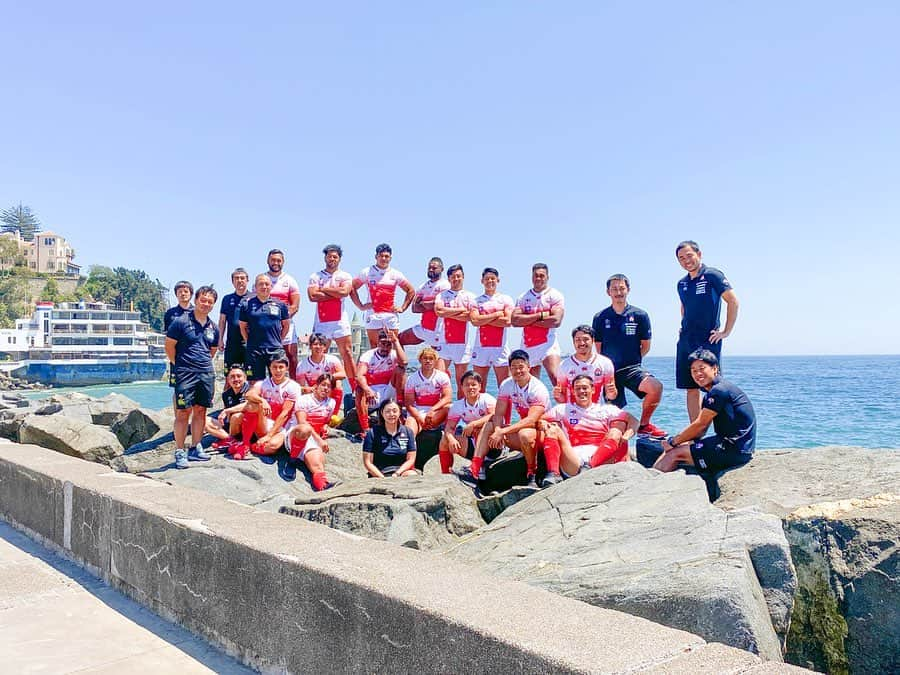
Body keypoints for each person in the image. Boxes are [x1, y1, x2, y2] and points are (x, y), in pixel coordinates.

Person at [654, 349, 756, 501]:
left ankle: (651, 490)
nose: (697, 374)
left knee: (675, 453)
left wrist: (673, 442)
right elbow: (700, 431)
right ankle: (652, 482)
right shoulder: (719, 389)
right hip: (737, 446)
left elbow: (700, 426)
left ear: (715, 368)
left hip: (732, 450)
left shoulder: (718, 391)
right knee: (678, 448)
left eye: (702, 368)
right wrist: (681, 442)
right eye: (693, 370)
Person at [593, 274, 666, 438]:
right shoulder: (600, 317)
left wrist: (631, 359)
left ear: (628, 290)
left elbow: (645, 346)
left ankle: (644, 425)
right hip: (610, 372)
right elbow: (598, 349)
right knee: (615, 417)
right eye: (614, 289)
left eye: (621, 288)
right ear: (608, 292)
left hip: (632, 368)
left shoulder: (640, 315)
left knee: (656, 387)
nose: (618, 292)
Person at [675, 241, 739, 421]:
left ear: (699, 254)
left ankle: (725, 431)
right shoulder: (682, 284)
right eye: (681, 258)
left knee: (714, 386)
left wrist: (725, 331)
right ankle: (696, 436)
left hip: (708, 339)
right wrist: (683, 327)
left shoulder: (713, 275)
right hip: (687, 340)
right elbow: (684, 307)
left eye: (689, 255)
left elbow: (733, 301)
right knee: (691, 388)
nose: (686, 260)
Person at [471, 349, 550, 488]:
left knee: (524, 434)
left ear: (529, 367)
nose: (517, 371)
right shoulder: (507, 384)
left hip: (542, 433)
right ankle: (476, 467)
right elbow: (499, 413)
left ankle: (532, 473)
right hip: (521, 431)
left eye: (521, 367)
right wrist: (497, 430)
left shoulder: (538, 389)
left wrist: (503, 432)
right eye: (513, 367)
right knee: (489, 425)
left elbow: (531, 420)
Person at [542, 374, 638, 479]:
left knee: (615, 432)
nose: (581, 391)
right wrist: (543, 423)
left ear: (592, 389)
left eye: (585, 388)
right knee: (552, 429)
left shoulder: (606, 409)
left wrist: (627, 435)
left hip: (599, 458)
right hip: (573, 459)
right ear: (573, 391)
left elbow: (634, 421)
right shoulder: (562, 409)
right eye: (577, 388)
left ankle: (590, 467)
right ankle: (553, 474)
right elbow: (540, 420)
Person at [165, 285, 219, 469]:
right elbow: (169, 346)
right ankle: (180, 450)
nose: (205, 304)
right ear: (196, 300)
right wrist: (180, 365)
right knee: (182, 413)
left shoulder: (214, 327)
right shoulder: (180, 322)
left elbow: (212, 350)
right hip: (185, 373)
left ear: (213, 305)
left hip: (205, 373)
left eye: (210, 302)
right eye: (203, 300)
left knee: (201, 411)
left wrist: (201, 366)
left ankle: (196, 447)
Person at [231, 353, 301, 461]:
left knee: (272, 446)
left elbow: (285, 414)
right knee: (252, 405)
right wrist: (262, 400)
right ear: (270, 368)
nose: (277, 371)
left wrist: (269, 436)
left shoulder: (293, 386)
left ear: (286, 368)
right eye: (274, 367)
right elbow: (248, 394)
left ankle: (251, 447)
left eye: (281, 367)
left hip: (282, 426)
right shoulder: (263, 383)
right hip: (264, 423)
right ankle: (245, 444)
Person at [307, 244, 357, 389]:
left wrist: (324, 289)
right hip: (322, 322)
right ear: (325, 258)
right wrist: (335, 293)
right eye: (329, 256)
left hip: (340, 321)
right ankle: (318, 386)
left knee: (347, 353)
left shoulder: (345, 275)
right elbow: (312, 296)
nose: (332, 259)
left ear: (339, 259)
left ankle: (354, 388)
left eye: (335, 257)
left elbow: (344, 292)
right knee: (320, 354)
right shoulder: (316, 276)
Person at [350, 243, 416, 349]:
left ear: (390, 258)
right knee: (374, 346)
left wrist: (402, 308)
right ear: (376, 256)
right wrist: (360, 306)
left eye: (386, 256)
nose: (384, 258)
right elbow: (352, 287)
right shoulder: (367, 272)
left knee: (393, 345)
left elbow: (411, 290)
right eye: (381, 256)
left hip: (390, 315)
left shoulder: (395, 274)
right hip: (373, 314)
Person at [511, 263, 565, 385]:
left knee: (557, 378)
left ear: (547, 277)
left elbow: (556, 321)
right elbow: (514, 321)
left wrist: (527, 320)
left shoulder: (555, 295)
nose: (538, 278)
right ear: (532, 277)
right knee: (530, 384)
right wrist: (540, 315)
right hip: (528, 345)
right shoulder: (523, 297)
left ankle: (567, 404)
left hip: (548, 345)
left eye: (542, 276)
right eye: (536, 276)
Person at [284, 373, 339, 488]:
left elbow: (325, 422)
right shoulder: (303, 400)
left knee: (318, 465)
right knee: (305, 429)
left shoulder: (331, 403)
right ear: (316, 385)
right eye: (323, 385)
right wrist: (319, 440)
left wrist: (325, 427)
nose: (326, 388)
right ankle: (292, 460)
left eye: (329, 386)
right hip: (296, 435)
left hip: (311, 440)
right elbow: (302, 422)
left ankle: (323, 488)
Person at [353, 329, 408, 442]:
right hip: (372, 392)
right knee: (359, 389)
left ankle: (400, 409)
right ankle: (365, 428)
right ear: (378, 343)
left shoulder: (393, 354)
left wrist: (396, 341)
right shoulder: (368, 355)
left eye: (388, 344)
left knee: (400, 370)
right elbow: (359, 375)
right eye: (383, 343)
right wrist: (367, 390)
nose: (385, 347)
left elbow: (405, 362)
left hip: (388, 391)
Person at [438, 370, 496, 475]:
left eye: (474, 385)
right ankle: (446, 473)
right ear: (462, 387)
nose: (471, 388)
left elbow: (494, 416)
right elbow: (449, 427)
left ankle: (480, 465)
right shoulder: (457, 406)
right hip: (474, 443)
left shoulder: (487, 399)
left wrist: (474, 424)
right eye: (467, 385)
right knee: (444, 439)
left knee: (487, 426)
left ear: (480, 386)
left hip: (492, 445)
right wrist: (451, 439)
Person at [468, 267, 514, 393]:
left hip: (501, 349)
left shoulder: (506, 299)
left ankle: (505, 414)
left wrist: (484, 319)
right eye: (487, 279)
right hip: (481, 348)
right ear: (482, 281)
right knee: (478, 387)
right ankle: (480, 412)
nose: (490, 281)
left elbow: (508, 321)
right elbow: (475, 321)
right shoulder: (476, 301)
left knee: (505, 388)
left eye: (493, 278)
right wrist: (496, 315)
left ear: (498, 280)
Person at [239, 273, 290, 382]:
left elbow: (286, 325)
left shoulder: (280, 305)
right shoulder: (246, 305)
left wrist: (279, 340)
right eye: (261, 284)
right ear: (255, 287)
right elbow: (242, 327)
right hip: (254, 350)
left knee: (278, 381)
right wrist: (249, 341)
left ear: (271, 286)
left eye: (267, 284)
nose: (264, 287)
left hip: (275, 349)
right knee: (254, 382)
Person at [433, 264, 476, 394]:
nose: (456, 279)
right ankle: (442, 411)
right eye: (453, 277)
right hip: (444, 343)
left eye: (458, 276)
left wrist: (449, 313)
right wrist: (461, 310)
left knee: (461, 382)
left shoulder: (470, 296)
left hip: (463, 344)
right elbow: (439, 311)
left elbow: (471, 317)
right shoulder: (442, 295)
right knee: (440, 379)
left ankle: (460, 411)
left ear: (463, 277)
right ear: (449, 278)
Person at [554, 325, 617, 405]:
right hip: (572, 413)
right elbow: (562, 399)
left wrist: (611, 392)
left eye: (585, 339)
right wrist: (557, 396)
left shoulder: (605, 363)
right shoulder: (564, 365)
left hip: (597, 411)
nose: (582, 343)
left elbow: (611, 396)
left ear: (593, 340)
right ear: (573, 342)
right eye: (578, 340)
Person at [398, 256, 450, 352]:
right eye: (429, 268)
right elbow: (414, 308)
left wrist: (423, 303)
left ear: (442, 269)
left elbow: (440, 306)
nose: (431, 270)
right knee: (397, 340)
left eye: (434, 268)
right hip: (423, 328)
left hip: (437, 330)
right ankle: (401, 366)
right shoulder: (423, 286)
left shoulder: (445, 285)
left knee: (438, 360)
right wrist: (431, 305)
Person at [265, 249, 302, 380]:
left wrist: (281, 319)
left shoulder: (290, 280)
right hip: (267, 328)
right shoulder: (262, 280)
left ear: (283, 262)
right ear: (268, 261)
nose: (276, 263)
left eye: (279, 260)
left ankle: (295, 389)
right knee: (268, 360)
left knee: (291, 358)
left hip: (286, 325)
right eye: (273, 260)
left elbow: (295, 306)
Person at [295, 332, 346, 424]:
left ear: (325, 347)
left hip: (328, 389)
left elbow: (343, 374)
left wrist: (325, 379)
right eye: (315, 344)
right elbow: (300, 387)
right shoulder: (302, 365)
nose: (318, 347)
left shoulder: (332, 359)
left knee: (338, 384)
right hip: (314, 391)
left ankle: (333, 416)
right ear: (310, 346)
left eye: (321, 344)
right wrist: (310, 389)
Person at [403, 346, 452, 436]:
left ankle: (444, 433)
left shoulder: (442, 376)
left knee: (449, 407)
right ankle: (407, 448)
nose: (428, 361)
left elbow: (448, 397)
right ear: (420, 360)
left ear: (435, 361)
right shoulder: (412, 379)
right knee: (409, 432)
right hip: (418, 411)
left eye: (431, 359)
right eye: (425, 358)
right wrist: (419, 419)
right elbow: (409, 404)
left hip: (436, 411)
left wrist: (432, 409)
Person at [362, 398, 418, 478]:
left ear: (399, 412)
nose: (391, 414)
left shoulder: (408, 432)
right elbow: (367, 462)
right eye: (387, 411)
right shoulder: (372, 433)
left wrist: (397, 474)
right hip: (379, 474)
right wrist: (382, 478)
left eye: (395, 411)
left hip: (400, 473)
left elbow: (411, 459)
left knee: (412, 475)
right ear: (381, 413)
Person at [205, 364, 249, 450]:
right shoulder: (226, 394)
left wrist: (227, 411)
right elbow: (228, 418)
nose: (236, 379)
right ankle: (231, 440)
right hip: (232, 426)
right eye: (232, 377)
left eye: (239, 376)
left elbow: (247, 405)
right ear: (228, 380)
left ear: (245, 378)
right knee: (203, 420)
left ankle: (228, 441)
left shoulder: (250, 390)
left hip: (246, 427)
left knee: (237, 416)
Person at [218, 268, 249, 374]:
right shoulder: (226, 299)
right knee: (230, 376)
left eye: (242, 278)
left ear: (247, 280)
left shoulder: (254, 298)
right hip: (231, 345)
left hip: (249, 344)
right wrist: (220, 339)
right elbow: (222, 320)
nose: (239, 280)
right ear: (232, 282)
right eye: (236, 278)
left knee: (250, 378)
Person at [164, 280, 193, 392]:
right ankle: (176, 410)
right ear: (176, 294)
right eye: (180, 291)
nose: (183, 294)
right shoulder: (170, 313)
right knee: (178, 390)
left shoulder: (196, 311)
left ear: (191, 294)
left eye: (186, 291)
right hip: (176, 356)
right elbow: (167, 336)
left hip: (192, 356)